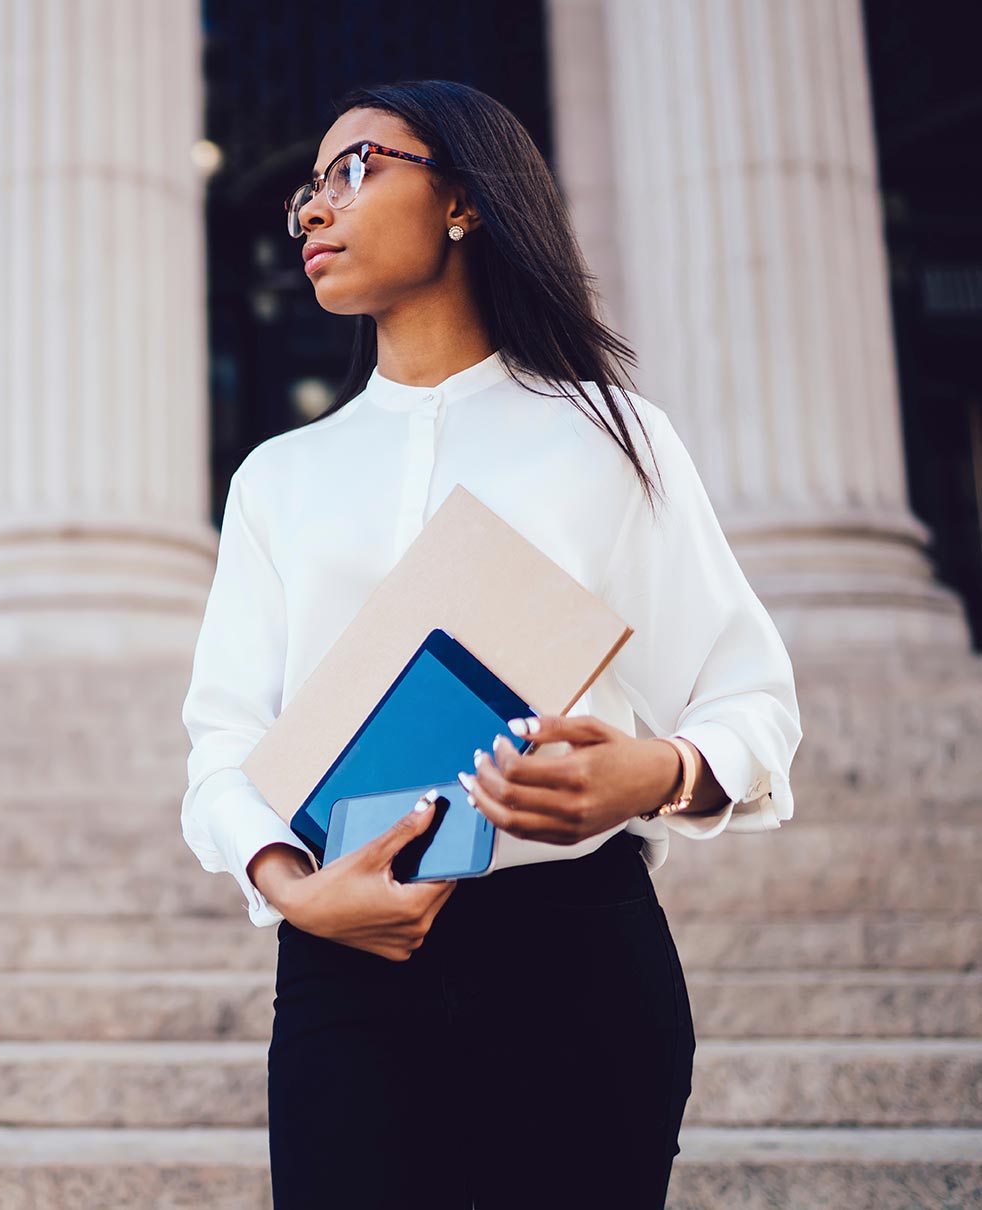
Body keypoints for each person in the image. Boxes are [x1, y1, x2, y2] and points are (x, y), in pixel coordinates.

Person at [180, 79, 802, 1210]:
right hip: (343, 961)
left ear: (464, 199)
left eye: (355, 168)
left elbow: (750, 698)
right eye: (307, 191)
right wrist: (290, 888)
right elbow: (224, 739)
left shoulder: (609, 437)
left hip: (577, 951)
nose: (315, 209)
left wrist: (650, 773)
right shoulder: (280, 478)